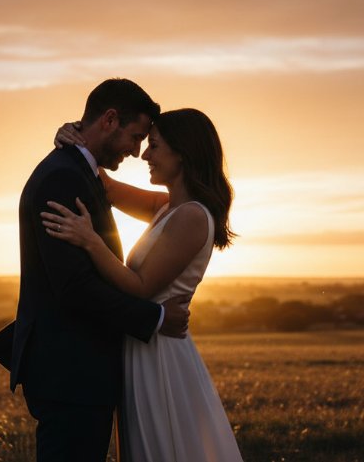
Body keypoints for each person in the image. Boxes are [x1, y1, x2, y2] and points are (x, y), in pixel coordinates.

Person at [44, 108, 244, 462]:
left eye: (154, 146)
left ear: (182, 153)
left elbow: (138, 286)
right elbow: (103, 184)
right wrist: (74, 135)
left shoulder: (193, 217)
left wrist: (90, 240)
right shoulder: (167, 207)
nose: (144, 155)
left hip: (160, 355)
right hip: (143, 345)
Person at [10, 78, 192, 462]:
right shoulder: (64, 176)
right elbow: (74, 287)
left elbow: (108, 187)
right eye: (137, 136)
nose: (138, 151)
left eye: (150, 143)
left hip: (80, 371)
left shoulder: (81, 172)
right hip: (70, 372)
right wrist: (156, 317)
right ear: (110, 119)